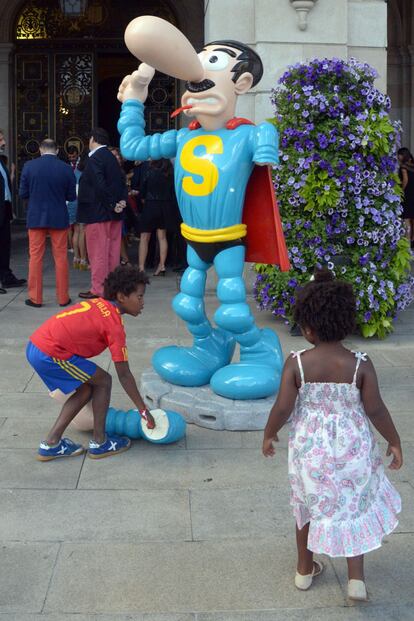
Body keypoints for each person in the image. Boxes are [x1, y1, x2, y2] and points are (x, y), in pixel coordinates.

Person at [117, 25, 289, 400]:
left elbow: (266, 143)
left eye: (211, 63)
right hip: (194, 239)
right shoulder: (182, 138)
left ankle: (260, 350)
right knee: (187, 302)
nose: (197, 74)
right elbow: (130, 147)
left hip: (228, 239)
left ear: (241, 83)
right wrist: (134, 99)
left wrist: (268, 138)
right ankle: (209, 347)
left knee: (231, 307)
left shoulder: (246, 134)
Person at [262, 269, 402, 602]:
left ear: (307, 327)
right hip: (353, 452)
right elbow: (376, 409)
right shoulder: (360, 364)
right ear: (346, 322)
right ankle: (356, 579)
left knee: (306, 506)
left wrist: (269, 434)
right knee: (353, 508)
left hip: (310, 456)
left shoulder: (296, 364)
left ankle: (304, 570)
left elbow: (282, 407)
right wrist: (393, 440)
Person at [26, 265, 155, 460]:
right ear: (121, 296)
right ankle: (100, 442)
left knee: (87, 388)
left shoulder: (100, 304)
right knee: (104, 381)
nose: (143, 302)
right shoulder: (113, 325)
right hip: (50, 352)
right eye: (140, 296)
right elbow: (124, 374)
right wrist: (143, 411)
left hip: (37, 345)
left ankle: (52, 443)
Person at [19, 138, 76, 307]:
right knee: (61, 257)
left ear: (41, 150)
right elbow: (72, 197)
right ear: (57, 150)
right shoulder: (66, 168)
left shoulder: (29, 166)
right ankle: (63, 298)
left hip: (36, 217)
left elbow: (23, 193)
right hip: (59, 217)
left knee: (35, 257)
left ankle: (36, 298)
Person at [77, 128, 128, 299]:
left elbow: (99, 185)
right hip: (113, 213)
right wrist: (120, 202)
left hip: (98, 212)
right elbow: (121, 181)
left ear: (92, 139)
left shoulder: (95, 158)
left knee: (97, 253)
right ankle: (111, 288)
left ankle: (98, 288)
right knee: (112, 253)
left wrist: (112, 204)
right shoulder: (112, 157)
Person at [0, 129, 27, 294]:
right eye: (1, 139)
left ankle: (6, 277)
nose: (3, 142)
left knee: (4, 245)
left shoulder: (2, 161)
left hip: (4, 209)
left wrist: (10, 176)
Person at [138, 158, 175, 275]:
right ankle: (162, 265)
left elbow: (142, 191)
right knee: (162, 237)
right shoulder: (169, 173)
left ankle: (141, 267)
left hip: (150, 205)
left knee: (144, 238)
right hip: (165, 206)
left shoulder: (149, 171)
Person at [397, 147, 414, 248]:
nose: (398, 157)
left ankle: (407, 243)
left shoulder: (403, 167)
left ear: (403, 155)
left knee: (406, 218)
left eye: (399, 155)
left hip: (408, 194)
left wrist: (401, 191)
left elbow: (405, 180)